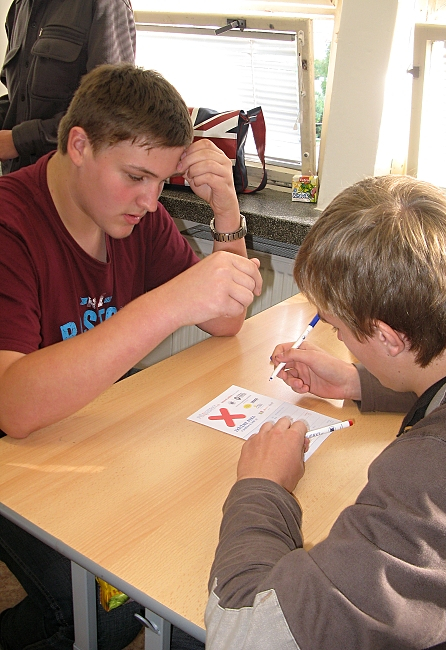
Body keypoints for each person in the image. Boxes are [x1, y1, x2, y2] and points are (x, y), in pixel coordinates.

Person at [0, 62, 262, 650]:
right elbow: (13, 408)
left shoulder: (134, 217)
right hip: (14, 458)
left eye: (161, 181)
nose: (149, 201)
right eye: (136, 177)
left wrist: (226, 213)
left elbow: (224, 320)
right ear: (79, 145)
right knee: (106, 612)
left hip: (86, 428)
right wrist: (164, 306)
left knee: (174, 561)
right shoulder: (9, 223)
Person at [205, 175, 446, 650]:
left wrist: (263, 487)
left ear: (388, 338)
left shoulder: (444, 472)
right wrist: (359, 381)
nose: (337, 339)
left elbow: (244, 634)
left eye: (338, 328)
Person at [0, 0, 136, 174]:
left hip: (70, 178)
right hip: (18, 176)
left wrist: (17, 141)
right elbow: (18, 100)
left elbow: (110, 110)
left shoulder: (104, 4)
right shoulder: (19, 6)